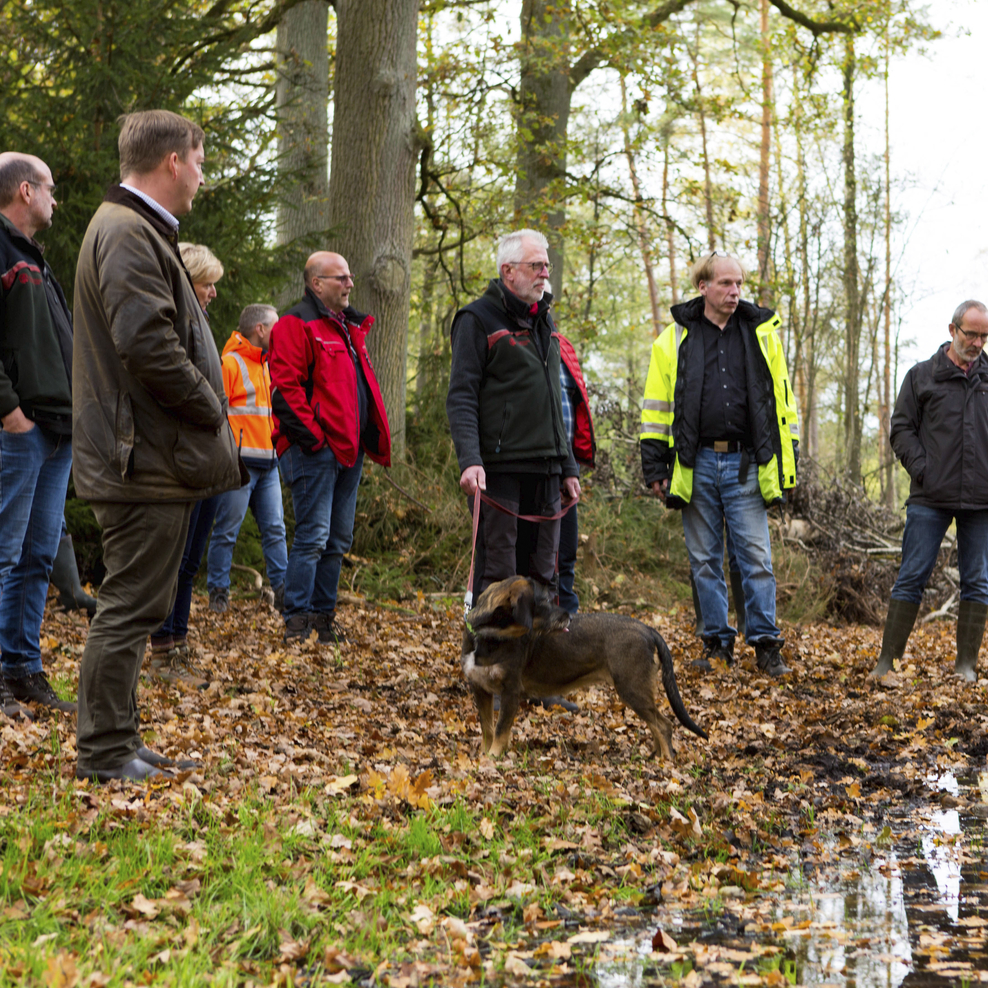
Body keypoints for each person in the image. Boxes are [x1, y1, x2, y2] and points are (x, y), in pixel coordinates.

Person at [72, 109, 245, 782]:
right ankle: (104, 752)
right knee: (129, 607)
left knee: (137, 605)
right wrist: (212, 411)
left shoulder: (134, 228)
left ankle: (120, 739)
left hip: (146, 455)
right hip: (138, 457)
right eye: (199, 162)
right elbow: (147, 346)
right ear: (173, 161)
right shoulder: (125, 231)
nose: (201, 176)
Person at [640, 252, 799, 677]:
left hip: (749, 463)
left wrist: (789, 456)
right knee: (704, 560)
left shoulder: (761, 333)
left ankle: (767, 647)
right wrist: (655, 464)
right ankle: (717, 646)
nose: (735, 292)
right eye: (726, 284)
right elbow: (656, 407)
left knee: (756, 559)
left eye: (739, 284)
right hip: (696, 464)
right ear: (703, 287)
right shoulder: (673, 338)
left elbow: (783, 401)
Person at [446, 230, 580, 601]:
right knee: (499, 573)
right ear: (508, 271)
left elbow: (553, 401)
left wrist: (567, 467)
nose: (544, 274)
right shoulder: (477, 319)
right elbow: (461, 396)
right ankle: (489, 655)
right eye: (536, 265)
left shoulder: (545, 321)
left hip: (548, 471)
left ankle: (537, 655)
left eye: (546, 266)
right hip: (499, 471)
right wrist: (470, 460)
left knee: (544, 573)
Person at [268, 251, 391, 645]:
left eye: (350, 276)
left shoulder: (346, 328)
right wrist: (316, 440)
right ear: (316, 283)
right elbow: (285, 392)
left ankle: (323, 619)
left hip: (348, 453)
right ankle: (297, 620)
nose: (350, 284)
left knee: (337, 540)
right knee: (313, 537)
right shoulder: (296, 323)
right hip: (314, 451)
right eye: (341, 278)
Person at [870, 300, 988, 683]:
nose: (977, 342)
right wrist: (924, 470)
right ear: (952, 330)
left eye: (984, 336)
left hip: (982, 500)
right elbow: (901, 429)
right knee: (912, 575)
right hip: (929, 497)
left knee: (978, 580)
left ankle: (966, 666)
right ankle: (888, 663)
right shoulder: (922, 376)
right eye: (971, 333)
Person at [0, 152, 76, 720]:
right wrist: (10, 415)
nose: (56, 198)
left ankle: (22, 669)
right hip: (20, 432)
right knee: (3, 555)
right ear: (25, 190)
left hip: (57, 432)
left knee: (36, 556)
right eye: (49, 188)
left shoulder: (33, 256)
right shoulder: (3, 251)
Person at [147, 242, 225, 685]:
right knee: (174, 561)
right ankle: (162, 652)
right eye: (206, 284)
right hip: (184, 455)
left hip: (208, 455)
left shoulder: (203, 323)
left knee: (191, 560)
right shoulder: (175, 324)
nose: (211, 293)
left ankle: (178, 643)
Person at [206, 304, 287, 613]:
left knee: (275, 530)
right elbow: (216, 414)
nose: (279, 333)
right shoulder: (229, 363)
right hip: (239, 466)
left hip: (269, 463)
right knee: (226, 531)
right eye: (274, 326)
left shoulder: (268, 364)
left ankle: (283, 593)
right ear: (260, 330)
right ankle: (218, 594)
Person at [555, 332, 595, 615]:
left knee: (567, 549)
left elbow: (575, 401)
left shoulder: (562, 344)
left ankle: (567, 618)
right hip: (532, 462)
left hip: (567, 464)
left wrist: (573, 465)